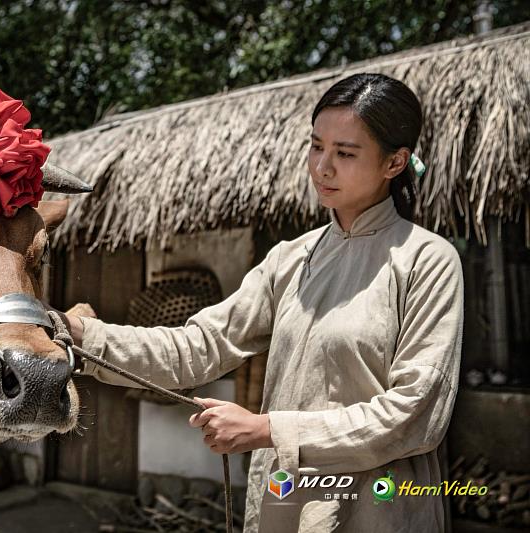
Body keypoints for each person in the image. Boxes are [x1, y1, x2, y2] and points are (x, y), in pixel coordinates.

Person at [66, 73, 463, 533]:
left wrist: (268, 430)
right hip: (286, 499)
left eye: (345, 153)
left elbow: (414, 415)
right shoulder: (290, 260)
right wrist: (82, 337)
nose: (322, 168)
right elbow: (199, 346)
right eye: (316, 146)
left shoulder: (427, 260)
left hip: (379, 508)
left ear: (395, 163)